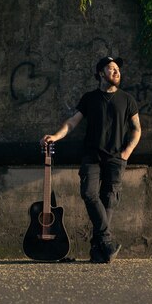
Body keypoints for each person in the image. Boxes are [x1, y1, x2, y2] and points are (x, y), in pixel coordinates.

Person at [40, 56, 141, 263]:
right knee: (88, 194)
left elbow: (137, 129)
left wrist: (126, 154)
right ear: (100, 74)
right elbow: (72, 123)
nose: (116, 72)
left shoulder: (127, 99)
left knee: (109, 200)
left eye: (118, 69)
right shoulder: (89, 98)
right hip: (91, 156)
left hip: (116, 158)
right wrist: (56, 136)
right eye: (111, 69)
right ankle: (106, 240)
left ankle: (97, 251)